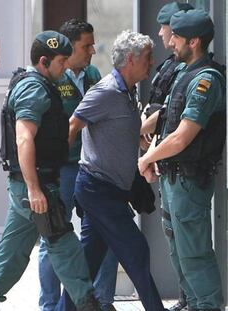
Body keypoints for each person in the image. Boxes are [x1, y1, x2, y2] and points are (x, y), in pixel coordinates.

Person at [0, 30, 100, 311]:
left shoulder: (39, 84)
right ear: (43, 61)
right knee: (63, 242)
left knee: (14, 250)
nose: (65, 66)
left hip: (28, 184)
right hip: (35, 185)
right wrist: (34, 189)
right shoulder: (34, 89)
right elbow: (23, 138)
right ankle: (89, 303)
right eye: (60, 61)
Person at [59, 30, 167, 311]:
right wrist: (54, 169)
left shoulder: (128, 92)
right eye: (147, 58)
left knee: (87, 266)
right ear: (130, 60)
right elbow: (73, 125)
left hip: (113, 190)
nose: (152, 62)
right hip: (97, 189)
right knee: (136, 249)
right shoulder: (105, 91)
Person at [138, 9, 225, 311]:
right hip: (173, 179)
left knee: (194, 254)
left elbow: (183, 136)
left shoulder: (206, 80)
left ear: (195, 41)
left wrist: (147, 157)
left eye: (176, 37)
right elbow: (167, 116)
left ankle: (207, 306)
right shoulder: (183, 72)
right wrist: (143, 134)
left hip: (189, 181)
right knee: (179, 250)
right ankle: (192, 304)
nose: (170, 42)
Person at [38, 19, 118, 311]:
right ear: (69, 48)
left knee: (103, 231)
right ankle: (49, 305)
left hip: (93, 167)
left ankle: (102, 302)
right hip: (63, 169)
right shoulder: (51, 80)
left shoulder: (93, 74)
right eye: (86, 45)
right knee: (54, 237)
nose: (93, 50)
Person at [143, 3, 193, 311]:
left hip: (180, 166)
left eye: (165, 28)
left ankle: (197, 301)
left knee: (191, 247)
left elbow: (174, 114)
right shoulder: (172, 64)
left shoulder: (190, 69)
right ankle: (187, 298)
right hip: (164, 161)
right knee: (175, 241)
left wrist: (148, 154)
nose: (162, 34)